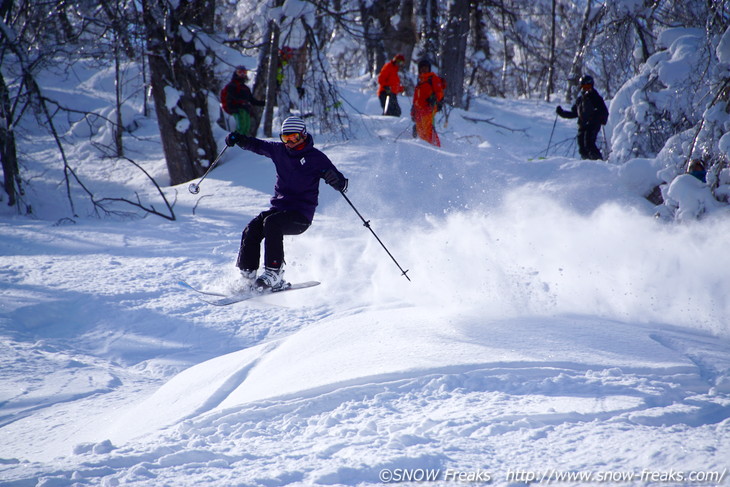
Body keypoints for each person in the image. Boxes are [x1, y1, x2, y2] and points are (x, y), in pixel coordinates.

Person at [225, 116, 348, 292]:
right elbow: (258, 145)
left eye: (294, 138)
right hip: (279, 209)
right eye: (285, 138)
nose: (289, 142)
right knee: (253, 227)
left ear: (303, 135)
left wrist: (335, 180)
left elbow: (342, 183)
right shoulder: (279, 151)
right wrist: (239, 139)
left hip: (300, 215)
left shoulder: (316, 158)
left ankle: (274, 274)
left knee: (272, 223)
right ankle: (248, 276)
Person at [556, 74, 609, 160]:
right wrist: (561, 113)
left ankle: (598, 163)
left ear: (592, 86)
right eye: (584, 86)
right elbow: (574, 113)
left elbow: (604, 112)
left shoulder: (596, 98)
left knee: (589, 144)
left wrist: (596, 118)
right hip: (582, 126)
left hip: (592, 125)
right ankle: (587, 164)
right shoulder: (580, 100)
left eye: (588, 86)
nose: (586, 88)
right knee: (582, 148)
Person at [220, 66, 265, 136]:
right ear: (236, 73)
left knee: (246, 127)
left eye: (244, 72)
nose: (242, 75)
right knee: (241, 127)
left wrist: (265, 103)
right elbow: (230, 98)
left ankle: (244, 143)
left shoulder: (245, 88)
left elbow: (252, 101)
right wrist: (235, 106)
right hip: (237, 109)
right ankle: (236, 142)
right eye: (240, 72)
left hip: (246, 110)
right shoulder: (232, 85)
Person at [411, 59, 445, 147]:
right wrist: (413, 111)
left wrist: (434, 99)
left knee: (428, 130)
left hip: (428, 109)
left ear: (429, 69)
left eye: (425, 68)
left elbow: (439, 93)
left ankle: (434, 148)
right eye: (422, 68)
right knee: (420, 131)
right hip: (418, 111)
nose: (423, 70)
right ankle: (424, 149)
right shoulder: (420, 82)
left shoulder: (433, 78)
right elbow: (415, 99)